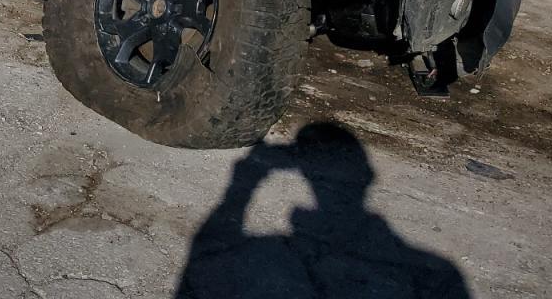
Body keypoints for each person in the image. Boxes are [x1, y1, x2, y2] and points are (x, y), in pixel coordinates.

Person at [175, 122, 471, 299]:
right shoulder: (443, 275)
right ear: (367, 176)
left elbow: (199, 259)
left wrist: (243, 184)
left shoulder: (440, 274)